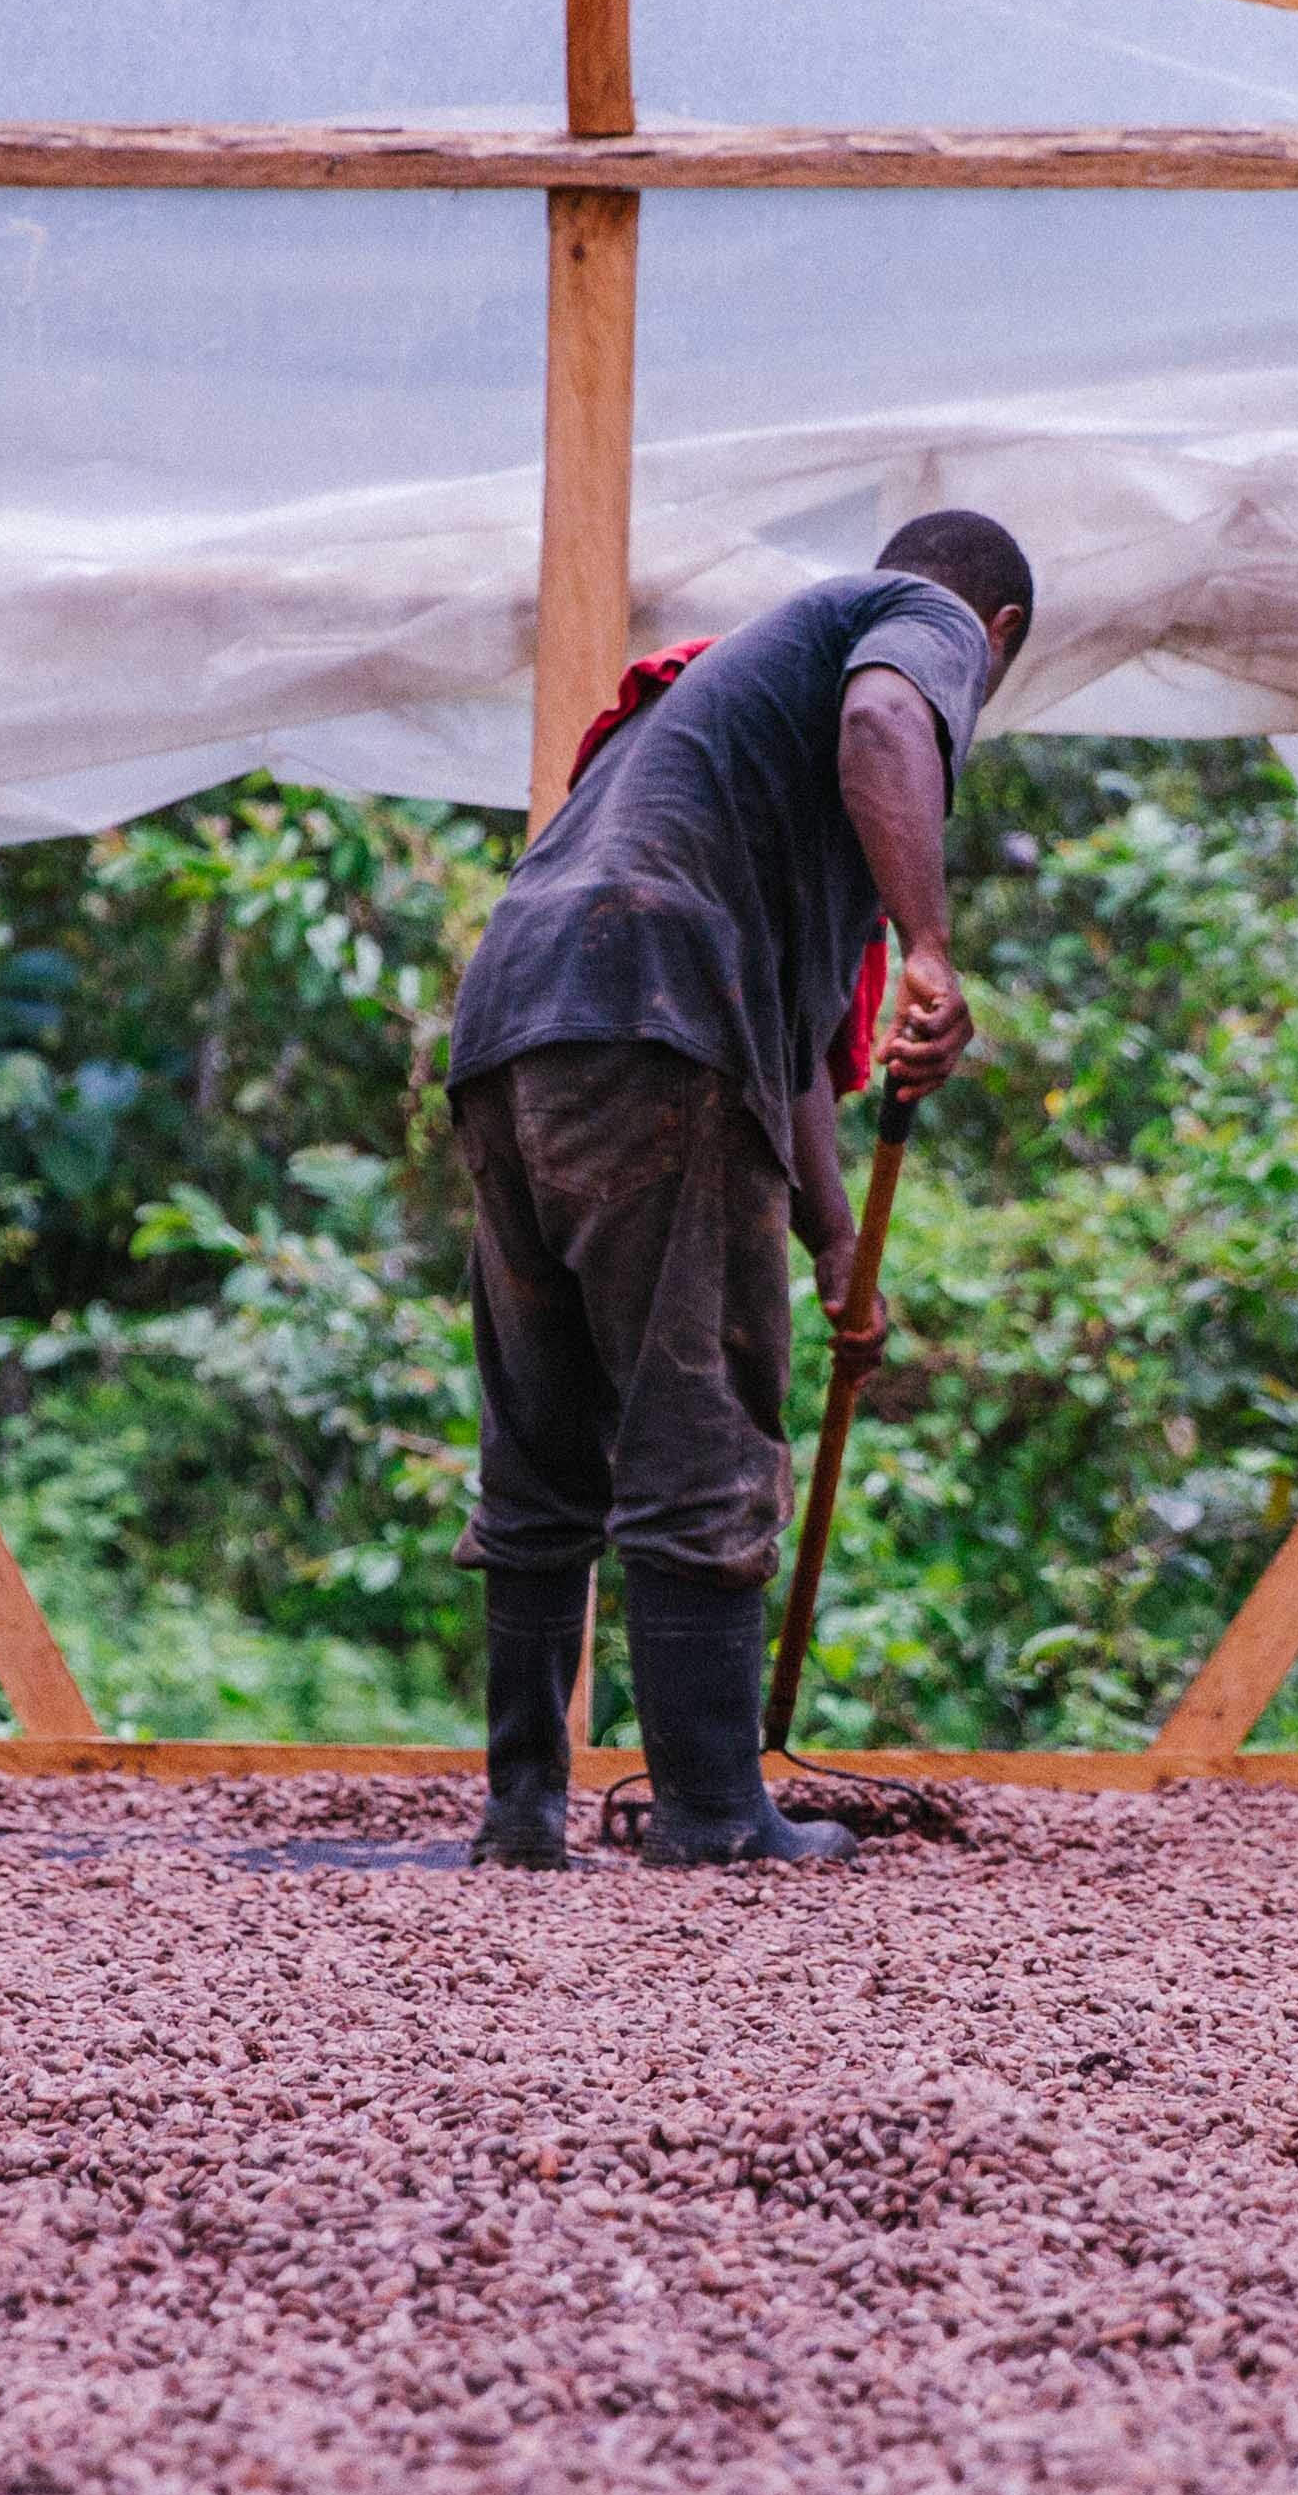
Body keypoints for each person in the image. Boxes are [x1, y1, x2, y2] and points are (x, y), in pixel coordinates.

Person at [443, 510, 1034, 1870]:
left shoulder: (749, 780)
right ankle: (711, 1813)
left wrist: (836, 1248)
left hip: (523, 1008)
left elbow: (802, 1050)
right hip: (654, 1005)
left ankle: (523, 1811)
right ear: (993, 637)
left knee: (544, 1431)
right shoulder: (920, 622)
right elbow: (891, 720)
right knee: (697, 1401)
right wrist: (931, 946)